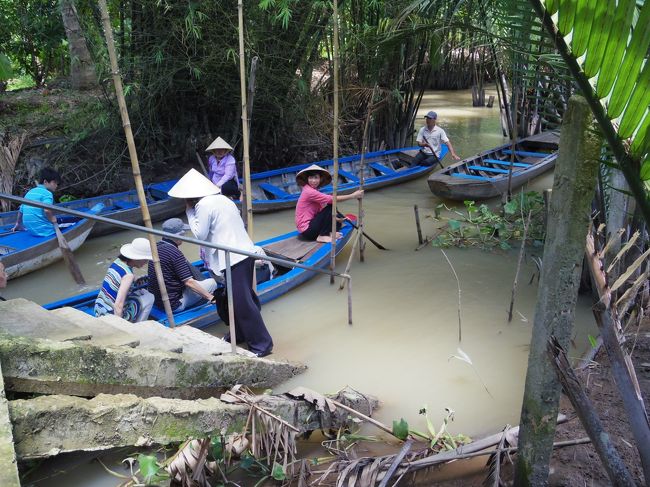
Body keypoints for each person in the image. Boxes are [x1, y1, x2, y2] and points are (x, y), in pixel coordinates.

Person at [168, 168, 273, 357]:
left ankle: (262, 345)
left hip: (233, 257)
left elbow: (200, 234)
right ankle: (239, 334)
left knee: (243, 303)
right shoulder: (224, 199)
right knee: (240, 299)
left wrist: (189, 213)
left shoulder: (202, 205)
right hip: (243, 252)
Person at [147, 217, 217, 311]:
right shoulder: (174, 253)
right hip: (174, 304)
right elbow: (189, 282)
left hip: (157, 300)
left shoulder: (156, 247)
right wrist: (211, 298)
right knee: (212, 283)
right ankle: (204, 305)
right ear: (178, 235)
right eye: (183, 234)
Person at [294, 165, 363, 243]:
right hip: (307, 231)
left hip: (312, 227)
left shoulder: (314, 190)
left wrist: (338, 219)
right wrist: (352, 196)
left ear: (320, 179)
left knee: (336, 220)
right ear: (307, 179)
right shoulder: (309, 191)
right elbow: (331, 199)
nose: (313, 181)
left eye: (316, 178)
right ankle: (322, 235)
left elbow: (321, 213)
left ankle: (329, 232)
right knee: (330, 206)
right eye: (311, 178)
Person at [94, 237, 155, 323]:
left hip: (99, 309)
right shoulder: (128, 276)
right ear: (135, 258)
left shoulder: (117, 262)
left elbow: (121, 278)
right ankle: (140, 325)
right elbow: (118, 305)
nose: (146, 263)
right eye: (145, 260)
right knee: (150, 297)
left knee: (141, 292)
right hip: (110, 315)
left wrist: (134, 278)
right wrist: (120, 326)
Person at [13, 167, 61, 237]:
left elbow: (21, 210)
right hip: (44, 230)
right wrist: (52, 219)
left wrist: (18, 223)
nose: (56, 185)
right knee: (58, 221)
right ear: (45, 182)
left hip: (31, 230)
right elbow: (47, 210)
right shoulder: (47, 193)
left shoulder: (30, 192)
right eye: (55, 183)